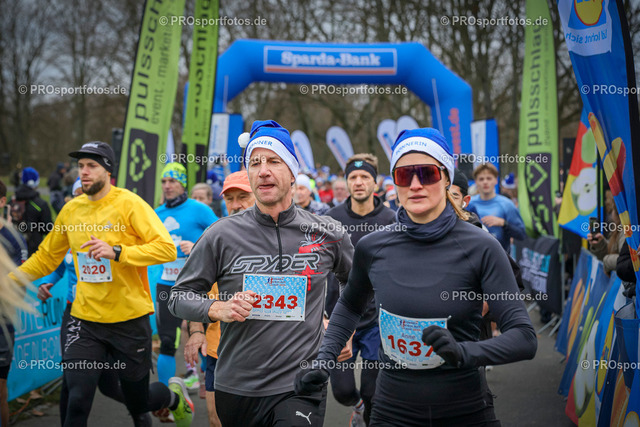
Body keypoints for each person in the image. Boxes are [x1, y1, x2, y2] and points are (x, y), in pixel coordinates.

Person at [295, 127, 537, 426]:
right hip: (391, 411)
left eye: (427, 173)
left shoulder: (482, 246)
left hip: (464, 410)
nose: (415, 184)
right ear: (394, 182)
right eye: (404, 175)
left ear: (446, 178)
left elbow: (524, 338)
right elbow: (350, 305)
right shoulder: (373, 246)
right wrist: (324, 358)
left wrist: (464, 352)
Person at [169, 120, 354, 427]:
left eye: (273, 161)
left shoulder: (328, 232)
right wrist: (217, 308)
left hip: (301, 384)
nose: (263, 170)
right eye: (255, 163)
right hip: (237, 386)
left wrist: (342, 329)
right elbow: (179, 297)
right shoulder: (220, 234)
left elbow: (357, 286)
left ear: (292, 172)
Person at [11, 141, 193, 427]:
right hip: (85, 320)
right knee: (77, 399)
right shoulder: (71, 210)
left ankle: (172, 398)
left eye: (92, 166)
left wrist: (117, 252)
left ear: (108, 171)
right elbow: (46, 258)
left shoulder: (130, 204)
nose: (83, 172)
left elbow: (166, 249)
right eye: (81, 166)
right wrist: (8, 281)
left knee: (137, 401)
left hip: (129, 320)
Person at [324, 154, 396, 427]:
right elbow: (319, 268)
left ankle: (367, 416)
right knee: (342, 391)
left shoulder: (391, 219)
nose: (358, 182)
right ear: (346, 182)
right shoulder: (331, 219)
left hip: (378, 319)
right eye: (352, 177)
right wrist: (323, 314)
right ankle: (358, 407)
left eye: (365, 176)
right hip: (341, 317)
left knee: (373, 391)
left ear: (375, 182)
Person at [184, 171, 256, 427]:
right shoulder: (212, 237)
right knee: (217, 420)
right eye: (230, 198)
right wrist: (196, 330)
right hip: (220, 349)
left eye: (243, 197)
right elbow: (191, 292)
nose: (236, 205)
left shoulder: (280, 237)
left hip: (266, 352)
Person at [154, 163, 218, 388]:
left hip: (196, 285)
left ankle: (206, 381)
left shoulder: (199, 209)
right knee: (167, 341)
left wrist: (197, 246)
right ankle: (166, 397)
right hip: (167, 284)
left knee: (203, 337)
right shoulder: (157, 214)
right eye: (164, 181)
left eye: (172, 181)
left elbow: (221, 237)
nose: (167, 185)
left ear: (183, 184)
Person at [0, 180, 28, 427]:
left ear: (2, 202)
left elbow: (21, 286)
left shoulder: (13, 240)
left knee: (0, 390)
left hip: (2, 324)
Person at [467, 163, 526, 251]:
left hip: (501, 255)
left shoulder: (507, 204)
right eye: (481, 179)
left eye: (489, 178)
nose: (485, 182)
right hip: (474, 254)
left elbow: (521, 234)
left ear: (496, 180)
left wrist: (503, 223)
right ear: (476, 181)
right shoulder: (469, 203)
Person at [11, 166, 53, 256]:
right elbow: (49, 228)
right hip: (34, 250)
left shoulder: (12, 201)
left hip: (12, 248)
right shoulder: (41, 204)